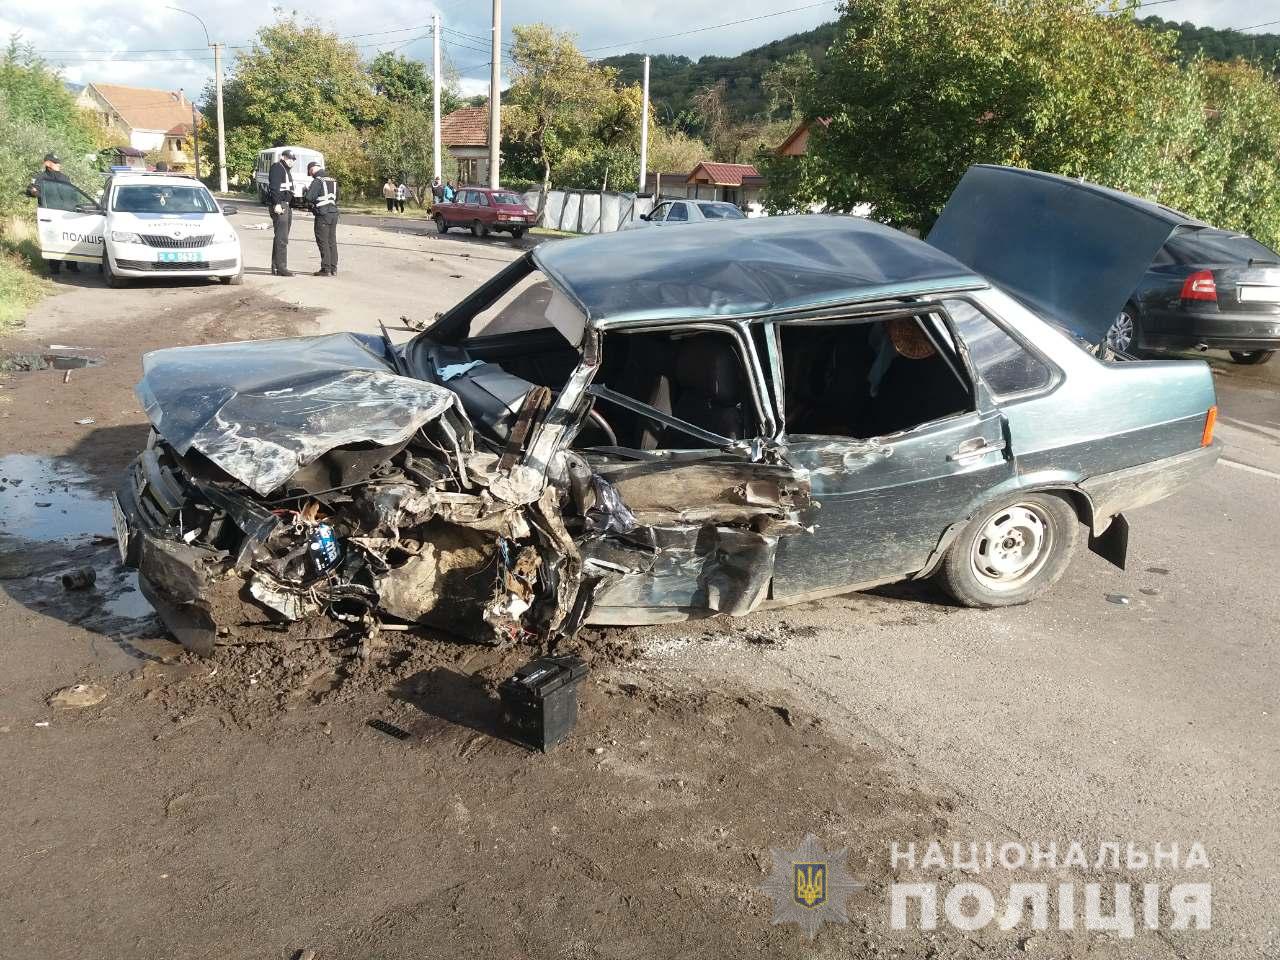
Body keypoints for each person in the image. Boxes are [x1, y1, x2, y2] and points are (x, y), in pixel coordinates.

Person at [26, 153, 81, 274]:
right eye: (55, 162)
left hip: (67, 214)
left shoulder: (65, 178)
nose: (58, 164)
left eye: (58, 162)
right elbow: (31, 189)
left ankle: (72, 265)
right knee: (54, 240)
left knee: (69, 239)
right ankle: (54, 266)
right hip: (51, 214)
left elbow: (73, 195)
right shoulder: (40, 178)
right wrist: (33, 191)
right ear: (47, 163)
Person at [305, 161, 339, 277]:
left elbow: (309, 197)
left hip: (322, 214)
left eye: (310, 173)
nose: (311, 175)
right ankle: (333, 268)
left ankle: (326, 269)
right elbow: (337, 197)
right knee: (331, 241)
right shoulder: (333, 180)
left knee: (322, 241)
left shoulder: (318, 180)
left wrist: (307, 191)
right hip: (333, 213)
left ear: (312, 170)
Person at [267, 149, 297, 276]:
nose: (292, 162)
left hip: (286, 205)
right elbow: (274, 187)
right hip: (280, 206)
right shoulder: (277, 168)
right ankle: (281, 267)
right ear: (283, 157)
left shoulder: (286, 169)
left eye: (293, 160)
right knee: (282, 238)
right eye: (290, 159)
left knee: (281, 237)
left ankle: (276, 266)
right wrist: (277, 204)